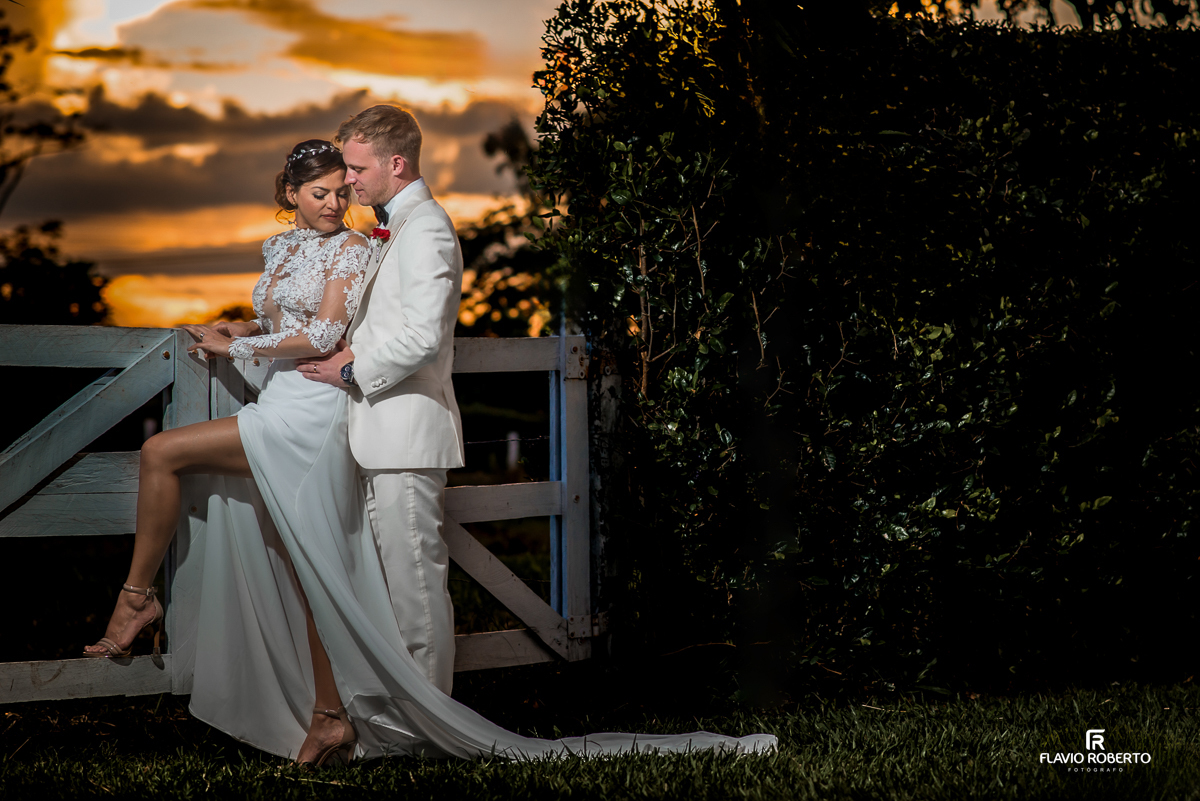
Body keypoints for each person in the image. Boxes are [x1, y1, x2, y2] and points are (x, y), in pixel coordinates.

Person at [85, 128, 777, 764]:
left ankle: (138, 597)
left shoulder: (358, 247)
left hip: (312, 415)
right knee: (308, 573)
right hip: (283, 401)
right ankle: (329, 716)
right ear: (289, 195)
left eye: (343, 184)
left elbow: (324, 336)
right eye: (321, 190)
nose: (336, 199)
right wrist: (234, 327)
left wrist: (249, 344)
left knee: (164, 454)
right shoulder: (282, 247)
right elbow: (282, 315)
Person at [296, 105, 463, 696]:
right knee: (394, 590)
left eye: (358, 168)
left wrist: (351, 369)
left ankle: (434, 730)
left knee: (416, 587)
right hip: (378, 435)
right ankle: (407, 716)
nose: (349, 181)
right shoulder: (393, 228)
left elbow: (422, 336)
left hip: (407, 437)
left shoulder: (429, 228)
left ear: (396, 163)